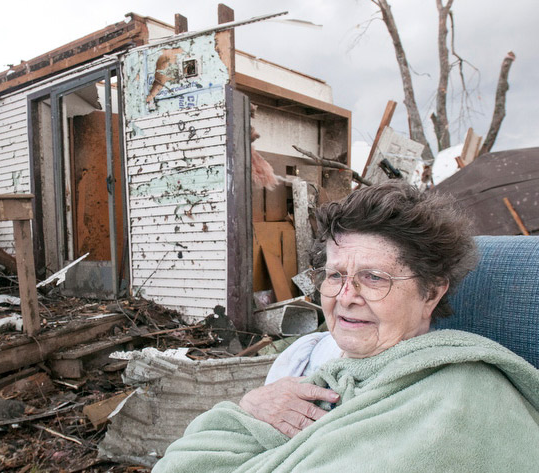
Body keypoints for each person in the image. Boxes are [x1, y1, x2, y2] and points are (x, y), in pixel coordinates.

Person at [153, 181, 539, 472]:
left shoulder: (463, 398)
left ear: (431, 294)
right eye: (335, 275)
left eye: (373, 277)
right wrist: (249, 406)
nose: (345, 296)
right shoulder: (305, 355)